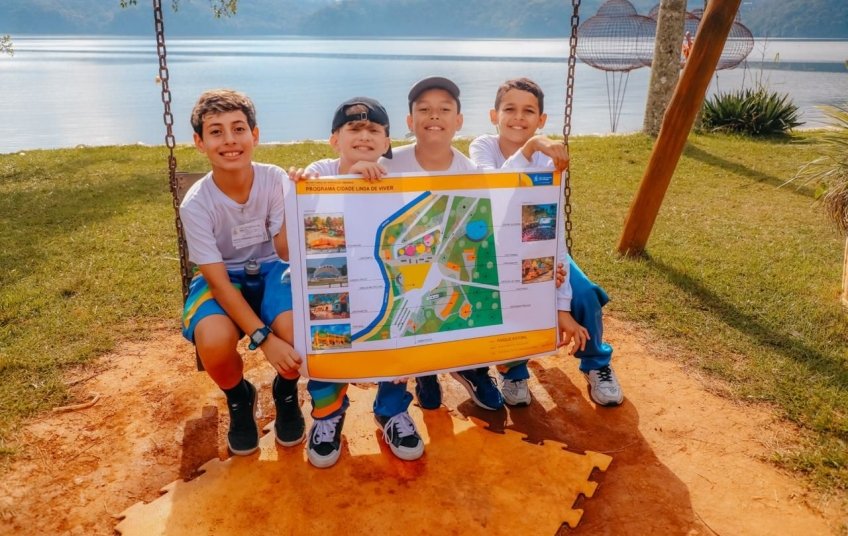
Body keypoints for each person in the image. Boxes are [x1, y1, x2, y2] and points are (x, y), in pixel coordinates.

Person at [382, 76, 587, 412]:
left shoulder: (468, 168)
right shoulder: (387, 163)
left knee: (471, 296)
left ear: (458, 121)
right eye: (425, 109)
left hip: (458, 259)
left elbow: (507, 216)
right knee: (414, 307)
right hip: (412, 262)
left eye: (444, 109)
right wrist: (308, 179)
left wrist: (542, 267)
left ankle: (472, 368)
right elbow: (344, 181)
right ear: (409, 120)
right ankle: (423, 373)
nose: (434, 116)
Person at [469, 77, 624, 407]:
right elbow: (496, 190)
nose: (518, 117)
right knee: (510, 302)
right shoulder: (483, 147)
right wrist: (531, 147)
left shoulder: (550, 159)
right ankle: (513, 371)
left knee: (585, 295)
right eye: (509, 109)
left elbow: (550, 229)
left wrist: (561, 300)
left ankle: (596, 364)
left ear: (541, 119)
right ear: (494, 116)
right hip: (497, 253)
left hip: (540, 246)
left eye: (529, 111)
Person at [289, 97, 425, 467]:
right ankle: (328, 415)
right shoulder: (317, 172)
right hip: (331, 281)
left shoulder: (396, 179)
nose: (364, 136)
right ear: (335, 139)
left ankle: (391, 410)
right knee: (328, 339)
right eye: (354, 128)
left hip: (377, 281)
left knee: (398, 334)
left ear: (386, 142)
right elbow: (308, 226)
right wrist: (347, 180)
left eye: (374, 130)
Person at [179, 89, 305, 456]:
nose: (230, 140)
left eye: (238, 129)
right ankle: (239, 397)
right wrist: (264, 339)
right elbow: (218, 282)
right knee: (214, 340)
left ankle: (285, 391)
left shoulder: (275, 179)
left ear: (255, 135)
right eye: (216, 132)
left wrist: (298, 199)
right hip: (223, 277)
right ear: (200, 142)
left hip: (274, 268)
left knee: (298, 333)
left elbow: (285, 251)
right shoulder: (197, 203)